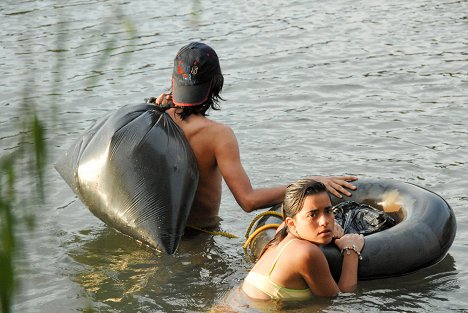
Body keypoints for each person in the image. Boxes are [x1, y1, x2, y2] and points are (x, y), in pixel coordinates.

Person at [154, 42, 358, 228]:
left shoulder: (153, 119)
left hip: (160, 233)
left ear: (174, 83)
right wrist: (309, 183)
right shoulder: (218, 135)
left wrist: (156, 108)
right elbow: (248, 200)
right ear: (216, 84)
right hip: (202, 237)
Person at [241, 179, 365, 300]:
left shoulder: (281, 234)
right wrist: (351, 250)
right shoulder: (307, 253)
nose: (324, 222)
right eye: (313, 215)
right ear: (292, 224)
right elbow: (340, 300)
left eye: (328, 211)